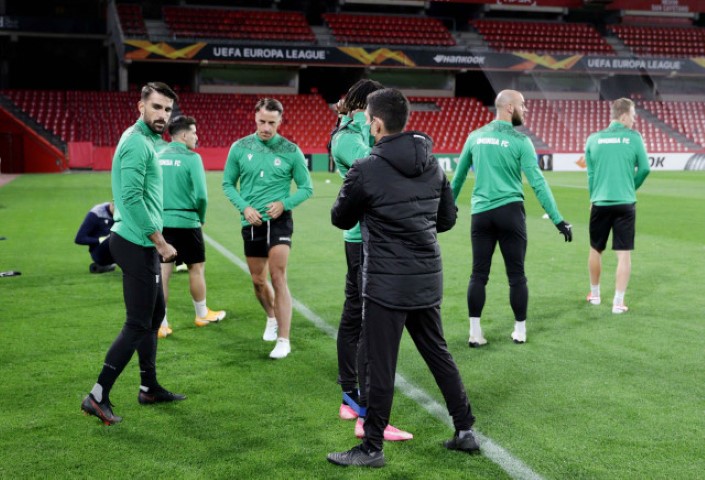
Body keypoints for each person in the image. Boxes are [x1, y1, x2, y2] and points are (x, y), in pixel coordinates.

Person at [327, 88, 479, 468]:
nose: (367, 126)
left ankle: (372, 448)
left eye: (368, 121)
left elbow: (340, 217)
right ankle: (465, 429)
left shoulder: (366, 167)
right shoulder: (433, 164)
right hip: (426, 276)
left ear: (377, 123)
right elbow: (447, 219)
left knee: (380, 365)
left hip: (385, 282)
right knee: (438, 354)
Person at [81, 82, 185, 426]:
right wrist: (160, 241)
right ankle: (97, 395)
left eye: (167, 109)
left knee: (154, 316)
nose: (162, 115)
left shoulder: (148, 141)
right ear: (141, 106)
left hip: (141, 241)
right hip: (135, 242)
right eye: (156, 107)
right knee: (138, 323)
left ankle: (149, 387)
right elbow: (130, 198)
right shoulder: (136, 143)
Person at [451, 89, 572, 348]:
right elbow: (537, 183)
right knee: (516, 275)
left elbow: (458, 178)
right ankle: (519, 331)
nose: (525, 110)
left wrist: (446, 209)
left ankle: (475, 333)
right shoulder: (521, 141)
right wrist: (558, 220)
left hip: (481, 214)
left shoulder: (475, 137)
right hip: (510, 213)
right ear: (509, 108)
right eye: (522, 105)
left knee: (478, 274)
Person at [329, 79, 412, 442]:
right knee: (365, 322)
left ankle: (351, 400)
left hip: (368, 237)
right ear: (365, 107)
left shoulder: (351, 131)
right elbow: (379, 166)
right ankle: (364, 412)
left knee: (356, 317)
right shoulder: (348, 137)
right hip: (363, 239)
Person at [222, 98, 313, 360]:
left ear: (280, 121)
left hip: (279, 221)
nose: (266, 128)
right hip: (251, 222)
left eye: (272, 123)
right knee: (258, 280)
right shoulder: (239, 148)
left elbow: (306, 188)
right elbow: (228, 184)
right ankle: (271, 317)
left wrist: (284, 204)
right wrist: (244, 208)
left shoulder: (291, 150)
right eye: (262, 121)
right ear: (255, 118)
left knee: (278, 275)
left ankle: (284, 339)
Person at [157, 115, 225, 339]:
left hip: (161, 222)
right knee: (196, 268)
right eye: (194, 133)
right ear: (184, 135)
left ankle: (161, 324)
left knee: (163, 273)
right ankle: (201, 314)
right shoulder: (192, 158)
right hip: (187, 221)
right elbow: (202, 196)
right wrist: (201, 217)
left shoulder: (157, 156)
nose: (197, 137)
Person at [584, 97, 650, 314]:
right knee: (624, 253)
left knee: (596, 249)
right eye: (632, 115)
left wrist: (593, 198)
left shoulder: (593, 139)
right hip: (625, 202)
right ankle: (618, 303)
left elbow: (591, 175)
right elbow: (645, 169)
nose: (634, 120)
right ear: (623, 116)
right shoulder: (634, 138)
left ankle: (595, 295)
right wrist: (630, 187)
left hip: (600, 201)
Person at [74, 201, 116, 273]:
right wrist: (100, 240)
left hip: (114, 251)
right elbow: (79, 239)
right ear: (112, 205)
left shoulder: (121, 214)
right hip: (98, 253)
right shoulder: (96, 214)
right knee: (113, 238)